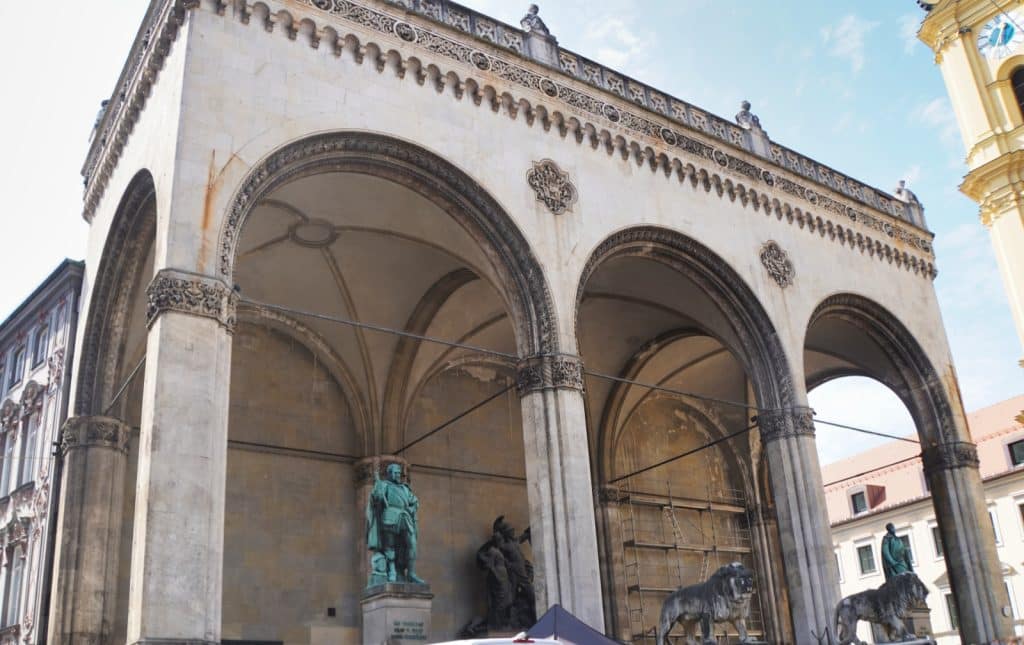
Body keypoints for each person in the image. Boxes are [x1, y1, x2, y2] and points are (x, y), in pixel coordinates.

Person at [366, 462, 425, 585]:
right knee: (390, 545)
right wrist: (377, 490)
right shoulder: (384, 485)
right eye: (396, 473)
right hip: (390, 516)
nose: (398, 475)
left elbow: (414, 501)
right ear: (389, 473)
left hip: (405, 516)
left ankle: (411, 573)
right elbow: (377, 498)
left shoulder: (405, 488)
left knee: (412, 544)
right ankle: (392, 570)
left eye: (399, 473)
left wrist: (412, 508)